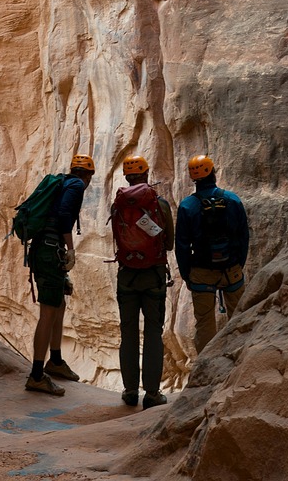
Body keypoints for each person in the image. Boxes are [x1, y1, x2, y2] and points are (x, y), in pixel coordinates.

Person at [25, 153, 94, 395]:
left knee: (59, 303)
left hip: (44, 248)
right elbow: (65, 216)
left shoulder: (63, 182)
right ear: (88, 176)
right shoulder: (76, 185)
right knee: (48, 311)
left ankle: (55, 361)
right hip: (50, 249)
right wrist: (71, 250)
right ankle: (36, 375)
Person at [111, 156, 174, 410]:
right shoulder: (159, 204)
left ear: (127, 177)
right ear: (146, 175)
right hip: (154, 276)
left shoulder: (117, 205)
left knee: (128, 332)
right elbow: (168, 243)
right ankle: (151, 393)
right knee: (153, 333)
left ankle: (129, 391)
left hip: (127, 275)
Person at [175, 154, 249, 354]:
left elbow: (181, 245)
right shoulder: (232, 200)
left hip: (201, 271)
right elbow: (243, 236)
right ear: (213, 174)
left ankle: (206, 369)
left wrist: (187, 274)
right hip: (231, 270)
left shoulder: (187, 206)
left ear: (193, 178)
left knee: (205, 324)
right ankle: (238, 360)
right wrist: (237, 264)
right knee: (238, 318)